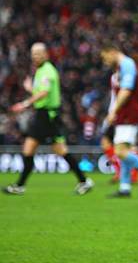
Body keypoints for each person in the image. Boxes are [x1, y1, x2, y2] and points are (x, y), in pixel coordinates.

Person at [3, 42, 94, 195]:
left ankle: (20, 186)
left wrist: (24, 103)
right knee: (52, 149)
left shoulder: (47, 71)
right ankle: (83, 181)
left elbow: (44, 94)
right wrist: (30, 88)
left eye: (38, 53)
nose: (35, 57)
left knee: (35, 148)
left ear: (46, 54)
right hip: (44, 115)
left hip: (47, 116)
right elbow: (41, 93)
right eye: (33, 54)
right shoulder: (40, 71)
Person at [101, 45, 138, 198]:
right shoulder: (122, 67)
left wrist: (113, 110)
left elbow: (126, 91)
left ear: (112, 52)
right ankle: (125, 187)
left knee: (120, 151)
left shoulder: (127, 64)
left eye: (105, 57)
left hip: (127, 114)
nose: (105, 61)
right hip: (125, 114)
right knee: (124, 151)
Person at [101, 71, 138, 185]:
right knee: (109, 143)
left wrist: (114, 112)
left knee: (127, 146)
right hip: (116, 113)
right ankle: (121, 173)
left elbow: (125, 95)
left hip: (123, 115)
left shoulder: (128, 76)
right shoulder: (114, 76)